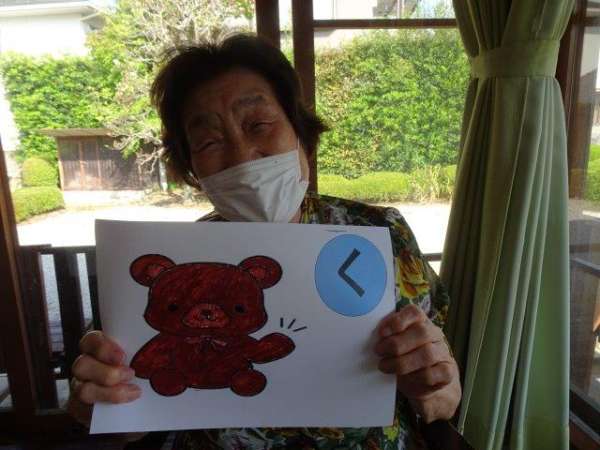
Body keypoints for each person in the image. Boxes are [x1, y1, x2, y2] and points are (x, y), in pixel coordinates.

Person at [67, 33, 461, 449]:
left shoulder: (379, 231)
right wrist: (106, 407)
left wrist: (437, 385)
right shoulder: (177, 262)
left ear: (301, 134)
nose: (242, 156)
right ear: (194, 172)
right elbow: (130, 411)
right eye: (209, 142)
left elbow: (440, 399)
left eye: (258, 125)